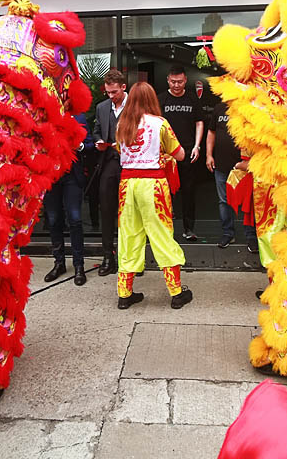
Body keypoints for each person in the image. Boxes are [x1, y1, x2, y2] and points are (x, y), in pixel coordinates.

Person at [114, 82, 193, 310]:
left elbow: (121, 151)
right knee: (161, 235)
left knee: (128, 236)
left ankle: (124, 293)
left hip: (127, 186)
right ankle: (176, 292)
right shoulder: (160, 124)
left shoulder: (122, 123)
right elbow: (179, 154)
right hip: (153, 185)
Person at [42, 113, 93, 286]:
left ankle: (79, 265)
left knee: (75, 220)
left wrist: (79, 146)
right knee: (54, 220)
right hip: (51, 174)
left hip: (72, 175)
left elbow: (90, 144)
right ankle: (59, 263)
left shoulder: (79, 117)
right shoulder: (44, 115)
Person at [158, 66, 205, 241]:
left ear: (185, 81)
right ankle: (165, 228)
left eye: (180, 82)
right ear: (168, 80)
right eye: (173, 81)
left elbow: (199, 122)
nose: (176, 85)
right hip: (166, 154)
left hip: (187, 152)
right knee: (165, 192)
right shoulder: (161, 99)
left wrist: (197, 146)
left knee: (188, 191)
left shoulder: (192, 98)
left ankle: (188, 228)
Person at [206, 100, 257, 250]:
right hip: (221, 165)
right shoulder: (219, 107)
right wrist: (209, 155)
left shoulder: (250, 108)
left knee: (249, 202)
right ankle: (228, 233)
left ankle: (251, 236)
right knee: (224, 201)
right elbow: (211, 132)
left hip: (244, 165)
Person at [93, 69, 127, 276]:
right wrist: (98, 141)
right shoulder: (102, 107)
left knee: (130, 213)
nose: (111, 96)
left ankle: (130, 258)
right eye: (108, 92)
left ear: (123, 87)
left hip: (131, 163)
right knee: (106, 210)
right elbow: (96, 130)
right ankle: (108, 256)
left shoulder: (136, 105)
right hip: (108, 163)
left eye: (114, 92)